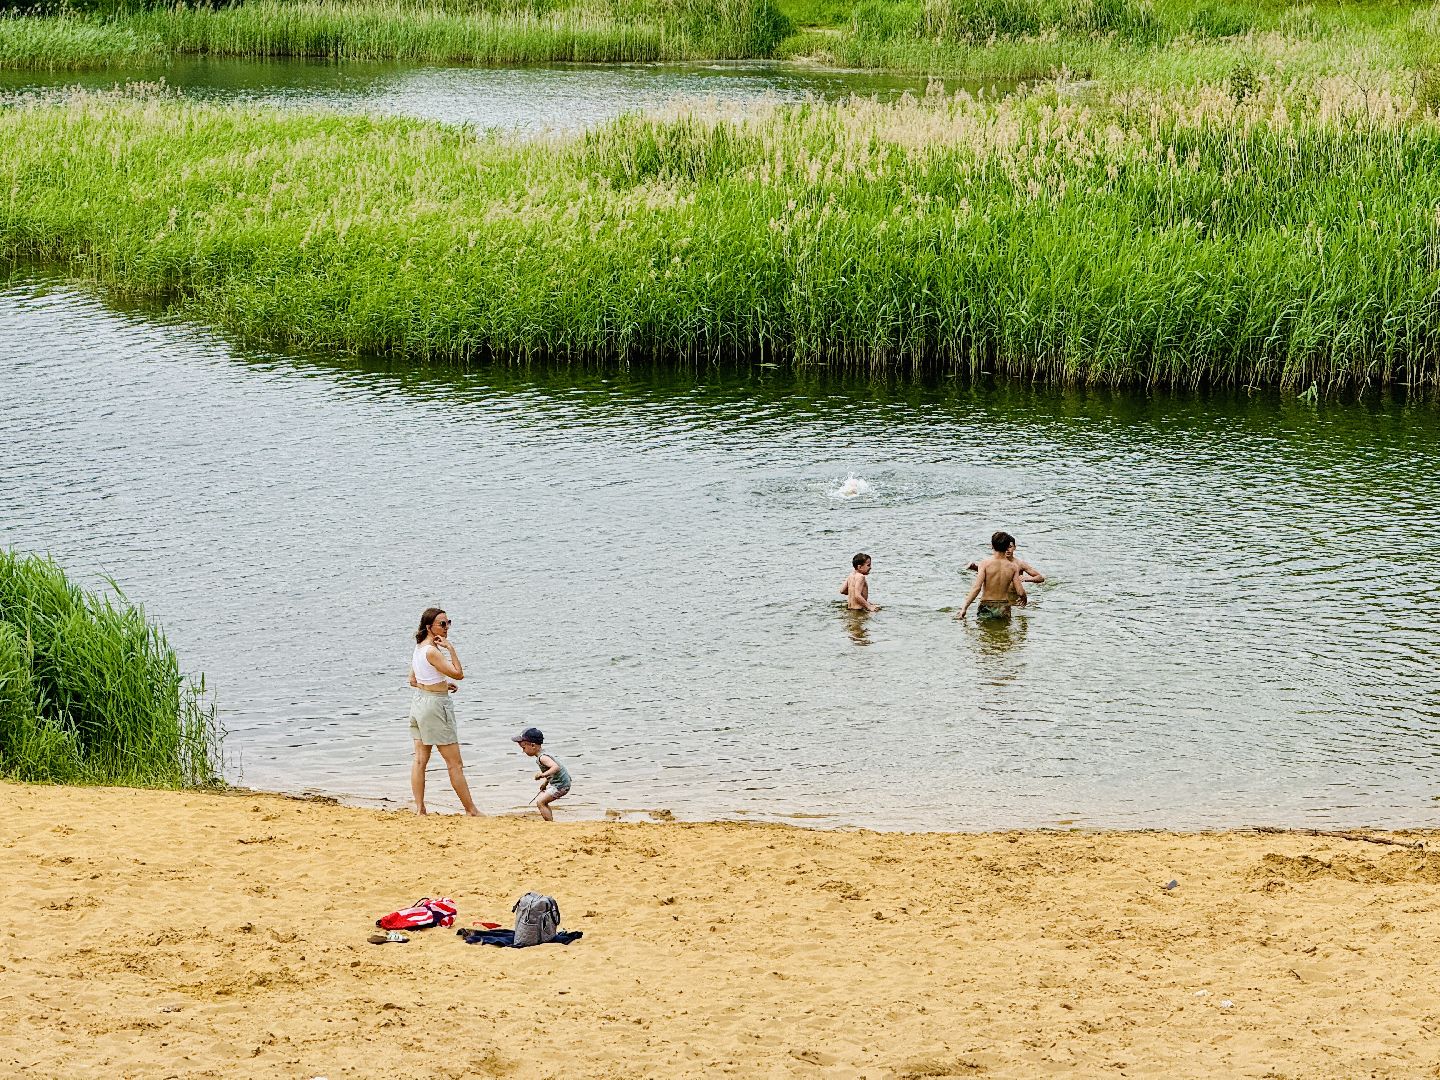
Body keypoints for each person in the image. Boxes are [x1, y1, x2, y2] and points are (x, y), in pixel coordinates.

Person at [407, 607, 480, 816]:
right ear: (430, 627)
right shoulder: (432, 650)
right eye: (442, 624)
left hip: (419, 703)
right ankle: (471, 810)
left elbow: (414, 680)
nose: (446, 628)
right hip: (435, 706)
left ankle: (420, 809)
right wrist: (450, 649)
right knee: (454, 763)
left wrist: (440, 683)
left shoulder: (419, 647)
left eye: (448, 622)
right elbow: (459, 674)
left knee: (420, 760)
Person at [957, 532, 1030, 621]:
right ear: (1007, 546)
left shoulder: (984, 564)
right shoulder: (1013, 567)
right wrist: (1024, 598)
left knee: (985, 633)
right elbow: (1020, 591)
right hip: (1004, 606)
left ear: (991, 545)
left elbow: (976, 588)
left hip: (987, 605)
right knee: (1004, 633)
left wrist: (964, 608)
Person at [512, 727, 571, 822]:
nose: (523, 751)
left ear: (533, 745)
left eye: (524, 748)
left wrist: (542, 775)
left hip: (561, 785)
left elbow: (555, 767)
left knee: (541, 802)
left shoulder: (542, 758)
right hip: (561, 783)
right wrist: (545, 783)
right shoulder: (543, 754)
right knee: (543, 802)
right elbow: (552, 771)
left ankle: (549, 823)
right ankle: (550, 821)